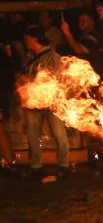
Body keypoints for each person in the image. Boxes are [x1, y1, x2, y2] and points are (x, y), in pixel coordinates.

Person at [21, 26, 70, 176]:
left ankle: (63, 165)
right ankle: (35, 166)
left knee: (59, 134)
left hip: (51, 102)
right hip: (32, 101)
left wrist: (29, 80)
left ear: (34, 39)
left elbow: (54, 79)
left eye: (26, 39)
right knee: (32, 134)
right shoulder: (28, 56)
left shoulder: (53, 56)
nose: (25, 42)